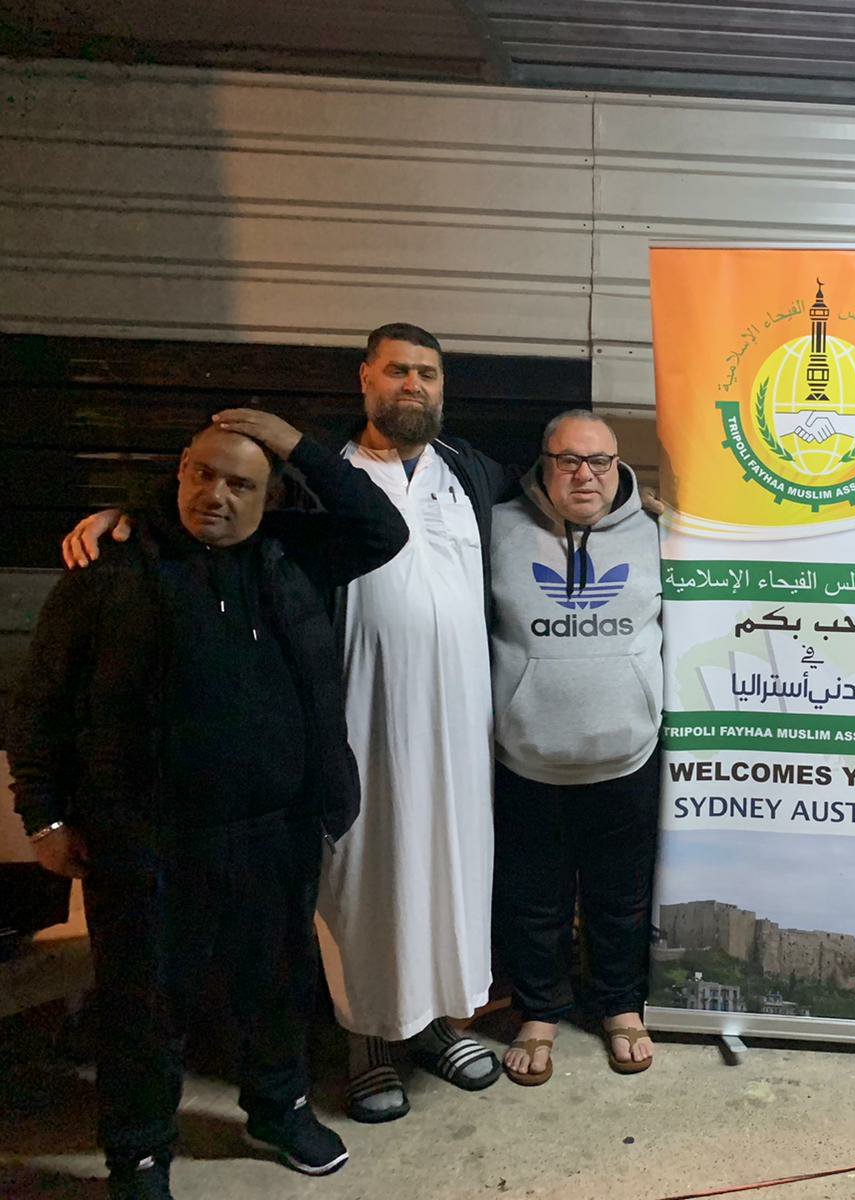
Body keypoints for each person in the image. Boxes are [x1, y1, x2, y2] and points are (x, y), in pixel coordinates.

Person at [62, 324, 515, 1121]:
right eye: (397, 370)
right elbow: (221, 503)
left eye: (429, 373)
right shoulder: (316, 473)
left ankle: (438, 1021)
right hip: (357, 719)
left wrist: (642, 505)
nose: (414, 385)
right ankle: (366, 1036)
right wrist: (123, 515)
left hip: (458, 725)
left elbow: (559, 498)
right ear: (365, 378)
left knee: (450, 867)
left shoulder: (470, 472)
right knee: (363, 877)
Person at [11, 412, 408, 1200]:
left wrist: (295, 444)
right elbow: (42, 697)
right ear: (177, 474)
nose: (214, 496)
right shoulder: (113, 565)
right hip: (146, 836)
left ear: (271, 498)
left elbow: (380, 528)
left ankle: (279, 1110)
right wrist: (43, 815)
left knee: (277, 984)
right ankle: (139, 1153)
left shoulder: (292, 556)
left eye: (239, 484)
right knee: (143, 1002)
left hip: (276, 829)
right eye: (201, 474)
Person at [488, 409, 663, 1085]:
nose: (584, 475)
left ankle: (619, 1004)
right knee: (535, 898)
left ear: (619, 468)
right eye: (568, 460)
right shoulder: (497, 528)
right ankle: (540, 1012)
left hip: (626, 754)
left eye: (599, 461)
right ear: (544, 465)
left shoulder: (657, 532)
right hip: (528, 755)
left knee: (622, 897)